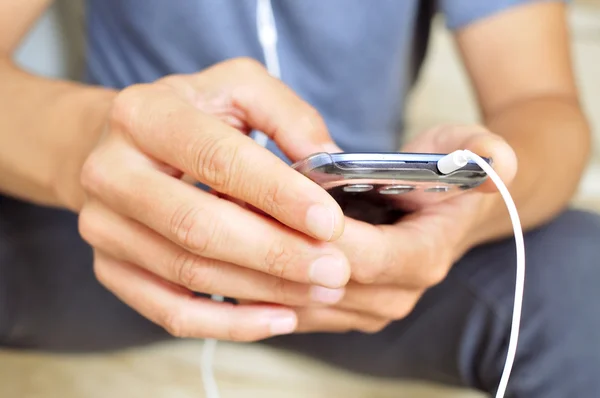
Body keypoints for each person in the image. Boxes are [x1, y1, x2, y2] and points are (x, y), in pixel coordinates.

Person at [1, 0, 599, 396]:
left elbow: (542, 104)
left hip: (364, 251)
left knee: (586, 282)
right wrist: (85, 145)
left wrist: (474, 208)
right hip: (113, 230)